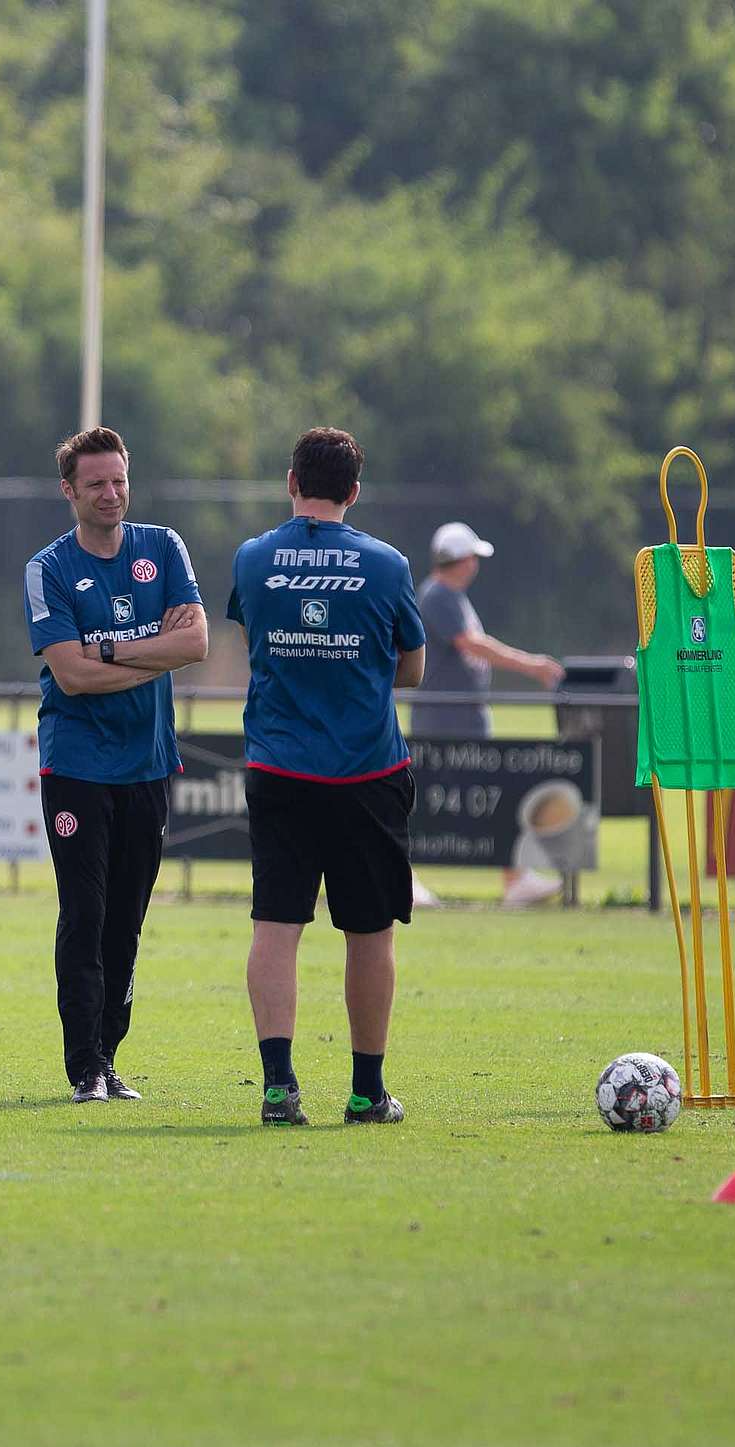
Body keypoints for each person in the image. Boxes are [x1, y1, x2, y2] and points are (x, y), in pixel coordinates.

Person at [228, 427, 425, 1127]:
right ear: (354, 491)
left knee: (276, 925)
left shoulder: (253, 558)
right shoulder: (389, 565)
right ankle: (367, 1093)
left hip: (279, 767)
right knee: (369, 931)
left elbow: (257, 644)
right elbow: (412, 667)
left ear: (291, 482)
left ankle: (278, 1088)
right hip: (367, 770)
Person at [24, 425, 208, 1104]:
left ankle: (109, 1055)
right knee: (85, 912)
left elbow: (196, 643)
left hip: (148, 762)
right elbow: (70, 677)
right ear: (69, 491)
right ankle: (84, 1067)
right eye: (96, 483)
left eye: (119, 480)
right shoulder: (48, 568)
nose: (111, 493)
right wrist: (149, 649)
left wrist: (106, 651)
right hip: (76, 764)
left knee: (126, 919)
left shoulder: (163, 547)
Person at [410, 521, 566, 907]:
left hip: (464, 717)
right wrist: (531, 665)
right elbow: (473, 644)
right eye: (472, 558)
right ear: (462, 560)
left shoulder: (452, 597)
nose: (475, 565)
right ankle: (404, 879)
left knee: (493, 794)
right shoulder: (438, 595)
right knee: (426, 799)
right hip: (444, 719)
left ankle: (515, 878)